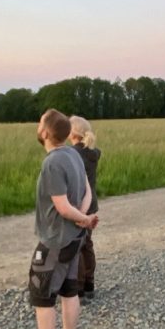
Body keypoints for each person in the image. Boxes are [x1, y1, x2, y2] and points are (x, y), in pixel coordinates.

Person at [16, 109, 98, 329]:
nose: (37, 127)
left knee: (42, 298)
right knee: (69, 290)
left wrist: (82, 219)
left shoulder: (52, 163)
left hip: (54, 242)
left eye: (40, 123)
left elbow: (62, 207)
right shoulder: (74, 153)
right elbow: (87, 190)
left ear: (45, 133)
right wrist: (84, 220)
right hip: (74, 238)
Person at [69, 115, 101, 305]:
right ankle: (89, 284)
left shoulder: (71, 153)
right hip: (92, 204)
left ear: (72, 132)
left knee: (77, 246)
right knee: (87, 244)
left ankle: (78, 289)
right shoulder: (93, 152)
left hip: (78, 205)